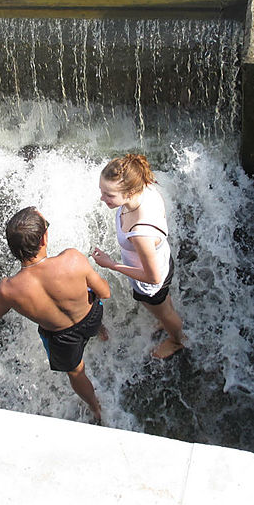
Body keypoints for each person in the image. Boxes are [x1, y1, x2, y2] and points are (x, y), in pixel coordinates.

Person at [0, 207, 111, 421]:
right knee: (91, 306)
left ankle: (95, 407)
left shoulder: (8, 289)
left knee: (76, 373)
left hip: (62, 337)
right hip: (91, 315)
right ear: (43, 241)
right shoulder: (73, 259)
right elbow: (105, 292)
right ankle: (100, 331)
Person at [91, 154, 185, 359]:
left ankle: (177, 340)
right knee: (163, 303)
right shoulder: (144, 187)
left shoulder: (141, 232)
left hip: (151, 279)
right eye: (102, 191)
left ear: (130, 191)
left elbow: (153, 278)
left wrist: (111, 264)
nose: (102, 198)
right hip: (161, 259)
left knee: (164, 310)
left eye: (109, 195)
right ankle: (164, 316)